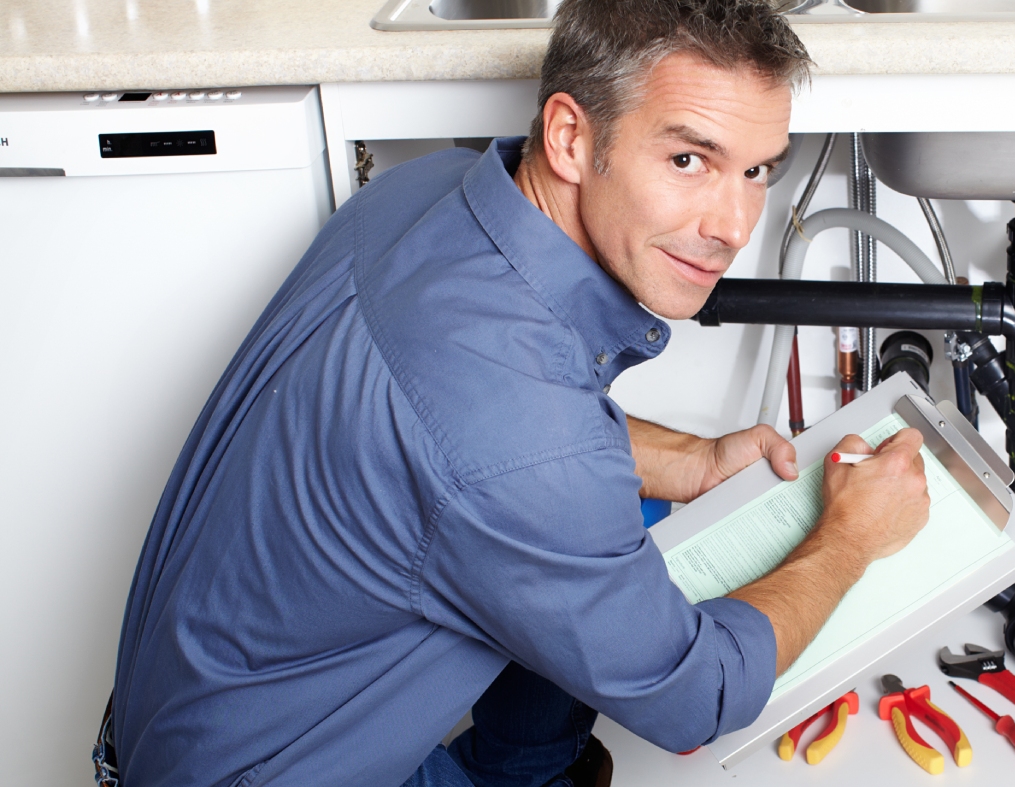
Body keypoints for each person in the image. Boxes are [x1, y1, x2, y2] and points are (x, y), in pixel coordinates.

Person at [103, 1, 932, 785]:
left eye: (756, 171)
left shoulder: (422, 191)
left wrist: (692, 457)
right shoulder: (523, 439)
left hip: (197, 723)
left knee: (621, 512)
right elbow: (698, 694)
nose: (733, 223)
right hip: (273, 770)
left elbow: (457, 442)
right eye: (689, 159)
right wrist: (851, 536)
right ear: (570, 137)